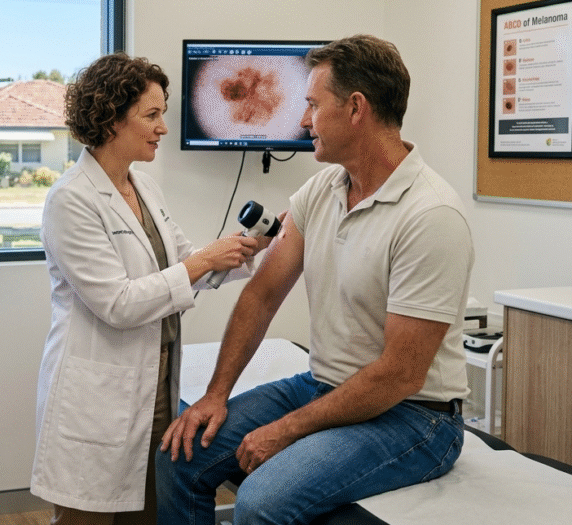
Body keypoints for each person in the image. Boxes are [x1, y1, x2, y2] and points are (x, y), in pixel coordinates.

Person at [156, 34, 475, 524]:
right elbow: (262, 296)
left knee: (262, 498)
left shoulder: (430, 216)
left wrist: (285, 430)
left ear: (356, 108)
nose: (302, 121)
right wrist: (216, 394)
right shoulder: (321, 189)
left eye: (311, 104)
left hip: (415, 415)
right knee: (180, 454)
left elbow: (400, 374)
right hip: (324, 385)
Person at [31, 53, 269, 525]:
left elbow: (181, 266)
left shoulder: (144, 188)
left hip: (157, 385)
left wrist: (244, 251)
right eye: (152, 115)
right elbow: (116, 304)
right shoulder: (71, 199)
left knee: (147, 513)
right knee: (88, 518)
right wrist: (204, 260)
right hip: (98, 394)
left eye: (164, 115)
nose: (162, 128)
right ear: (111, 118)